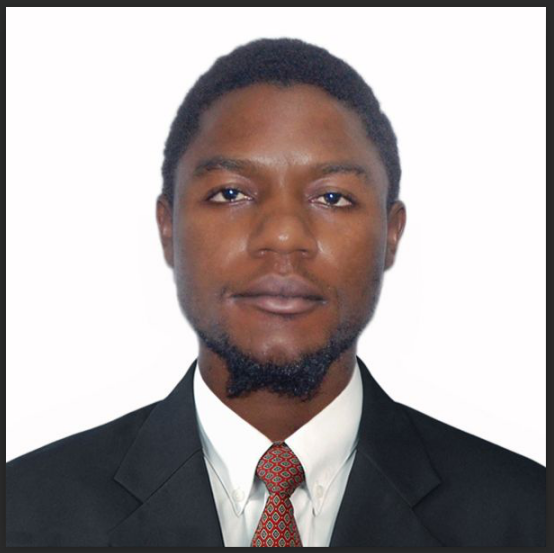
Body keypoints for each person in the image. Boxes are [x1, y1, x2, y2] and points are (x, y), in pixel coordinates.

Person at [6, 37, 545, 547]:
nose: (284, 236)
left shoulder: (530, 514)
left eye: (332, 197)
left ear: (391, 234)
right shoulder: (21, 512)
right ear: (168, 228)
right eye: (230, 193)